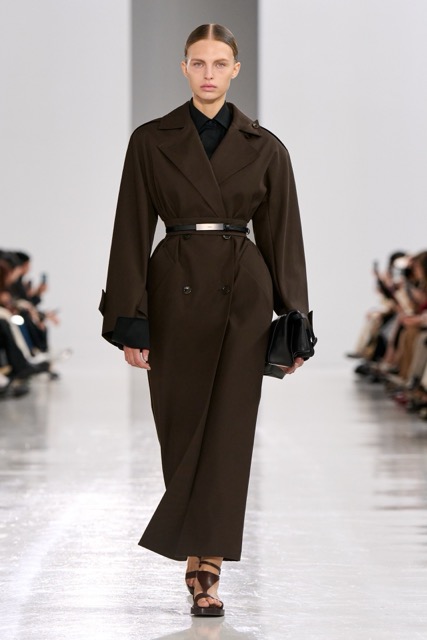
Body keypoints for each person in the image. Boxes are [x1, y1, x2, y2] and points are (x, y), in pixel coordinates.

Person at [100, 23, 310, 617]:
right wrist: (130, 318)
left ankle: (206, 566)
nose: (209, 74)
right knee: (181, 424)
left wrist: (295, 320)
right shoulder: (150, 140)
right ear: (184, 68)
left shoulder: (266, 147)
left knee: (229, 432)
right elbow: (131, 228)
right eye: (199, 63)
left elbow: (283, 237)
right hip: (175, 291)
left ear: (235, 69)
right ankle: (197, 548)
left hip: (243, 294)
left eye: (220, 63)